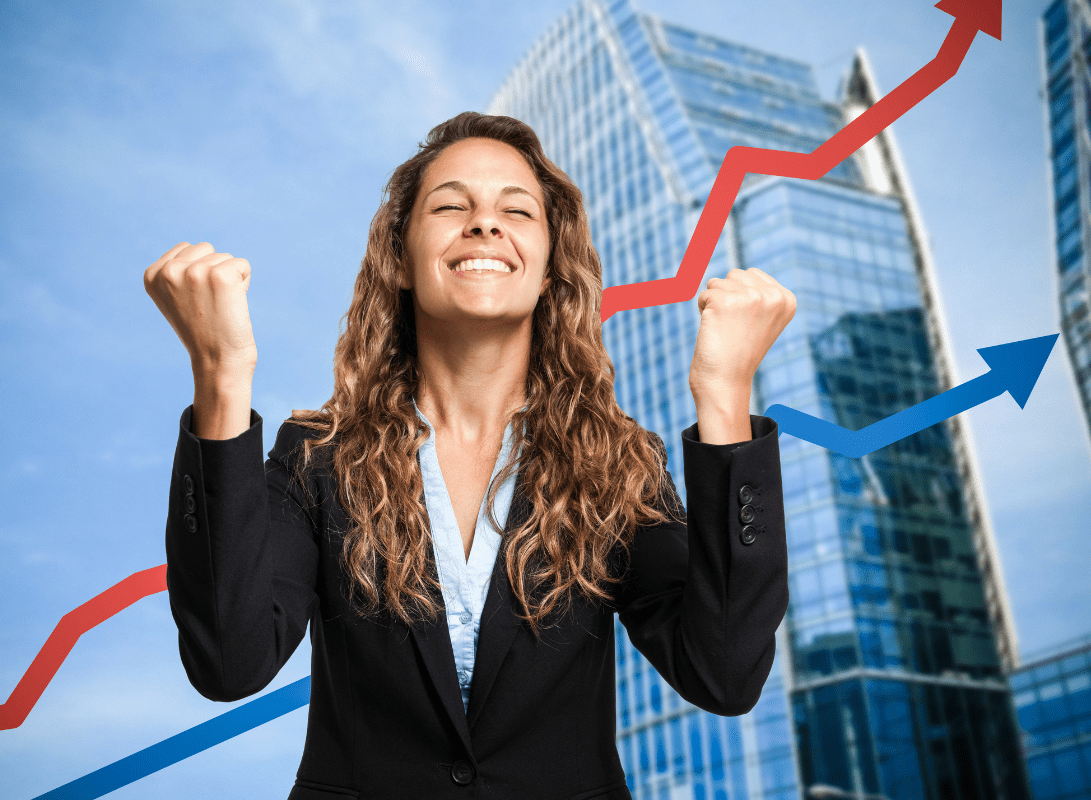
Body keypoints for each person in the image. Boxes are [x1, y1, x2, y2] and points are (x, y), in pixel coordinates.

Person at [143, 112, 795, 800]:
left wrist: (724, 395)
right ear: (399, 258)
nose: (485, 224)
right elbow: (229, 663)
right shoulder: (318, 458)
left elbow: (723, 674)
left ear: (548, 270)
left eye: (517, 211)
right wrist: (221, 374)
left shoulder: (616, 462)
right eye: (451, 206)